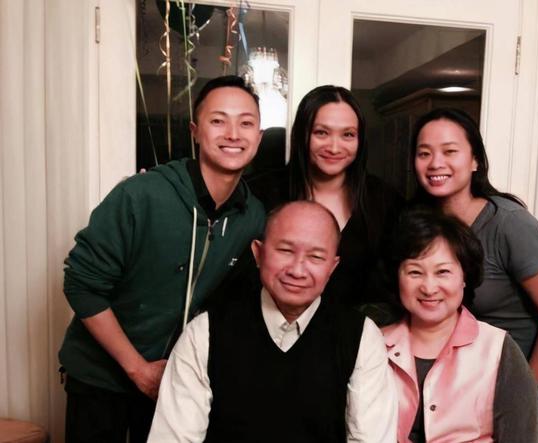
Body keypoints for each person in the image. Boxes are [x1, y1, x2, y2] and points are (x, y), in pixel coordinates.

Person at [58, 75, 266, 443]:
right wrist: (138, 369)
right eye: (218, 120)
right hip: (99, 377)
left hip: (173, 379)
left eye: (246, 123)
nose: (233, 134)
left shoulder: (252, 217)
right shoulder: (141, 195)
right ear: (195, 131)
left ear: (259, 137)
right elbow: (81, 284)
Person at [147, 201, 398, 442]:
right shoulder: (206, 332)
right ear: (258, 253)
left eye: (316, 257)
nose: (297, 270)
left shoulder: (361, 337)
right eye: (285, 251)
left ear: (332, 267)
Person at [411, 108, 538, 443]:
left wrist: (521, 391)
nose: (435, 163)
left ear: (475, 160)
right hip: (478, 378)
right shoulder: (425, 225)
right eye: (424, 153)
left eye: (449, 151)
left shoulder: (509, 224)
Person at [224, 85, 403, 315]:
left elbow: (394, 285)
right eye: (321, 133)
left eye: (348, 134)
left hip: (356, 331)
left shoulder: (384, 201)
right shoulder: (260, 193)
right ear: (303, 134)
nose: (334, 147)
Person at [382, 207, 538, 443]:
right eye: (415, 272)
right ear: (397, 277)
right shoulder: (372, 344)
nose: (429, 287)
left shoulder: (498, 349)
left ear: (465, 277)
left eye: (443, 272)